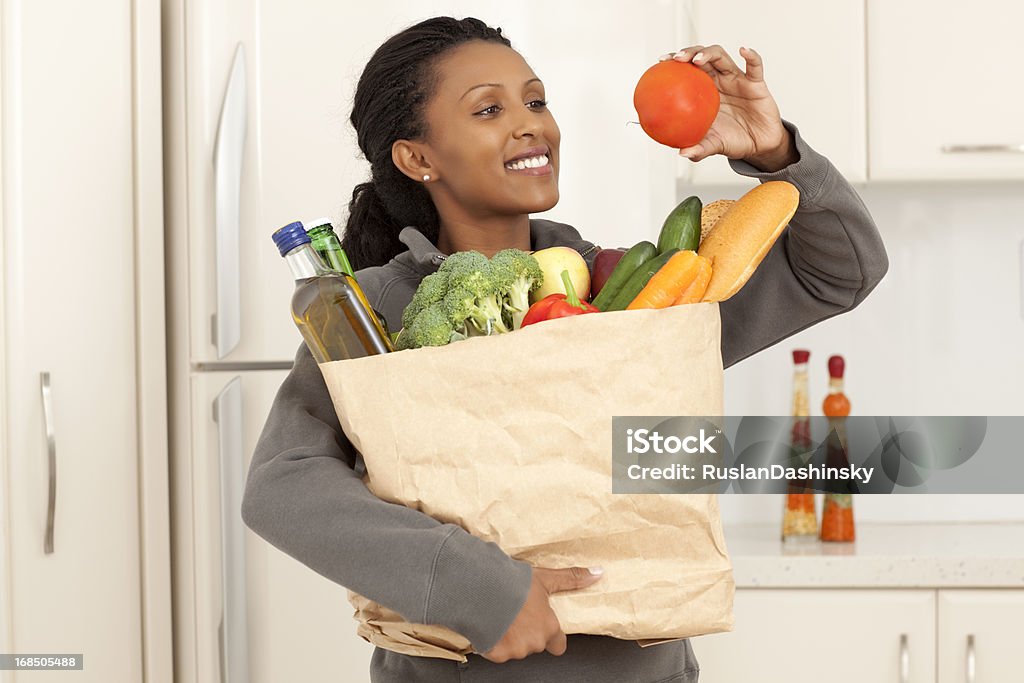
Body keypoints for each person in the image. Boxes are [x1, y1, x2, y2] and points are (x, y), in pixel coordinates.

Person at [241, 16, 888, 683]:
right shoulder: (369, 308)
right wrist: (476, 584)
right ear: (418, 158)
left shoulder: (634, 293)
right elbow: (282, 485)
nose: (532, 125)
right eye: (489, 108)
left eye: (537, 101)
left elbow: (840, 270)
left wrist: (775, 153)